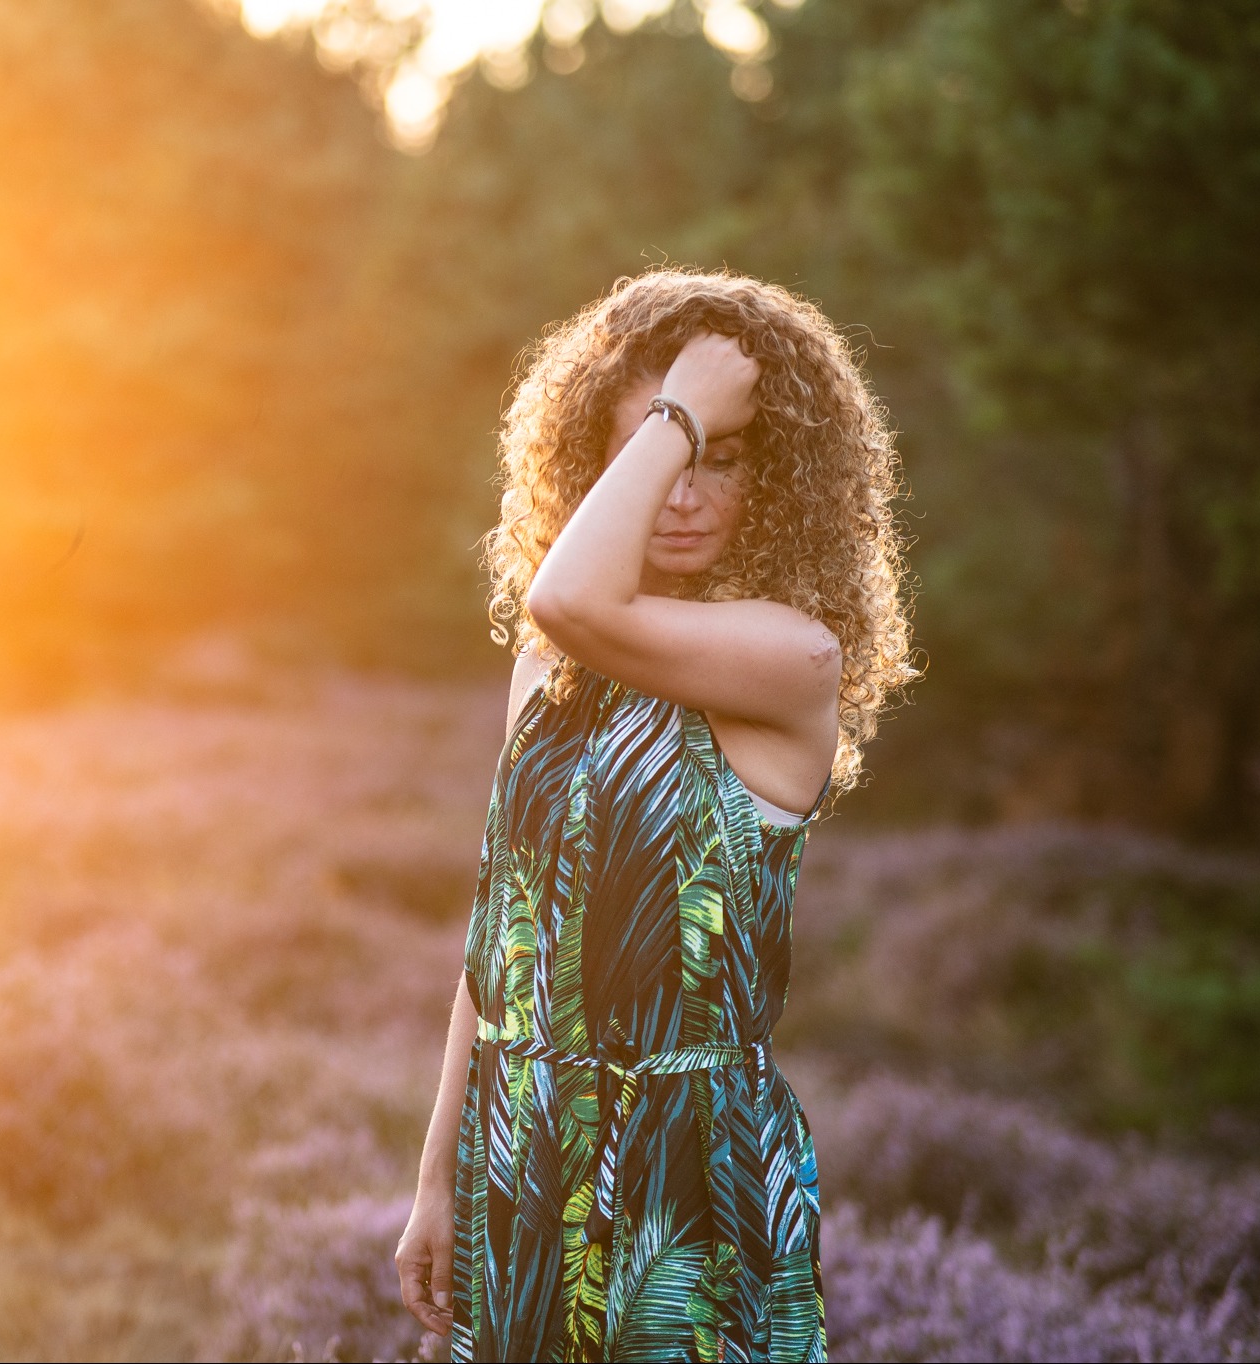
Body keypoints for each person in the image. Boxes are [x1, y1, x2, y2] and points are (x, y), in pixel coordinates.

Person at [394, 269, 914, 1362]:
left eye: (713, 459)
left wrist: (679, 406)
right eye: (650, 456)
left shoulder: (790, 657)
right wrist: (437, 1173)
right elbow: (501, 934)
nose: (678, 492)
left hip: (687, 1168)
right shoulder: (548, 669)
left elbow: (570, 593)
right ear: (596, 469)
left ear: (771, 483)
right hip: (517, 1145)